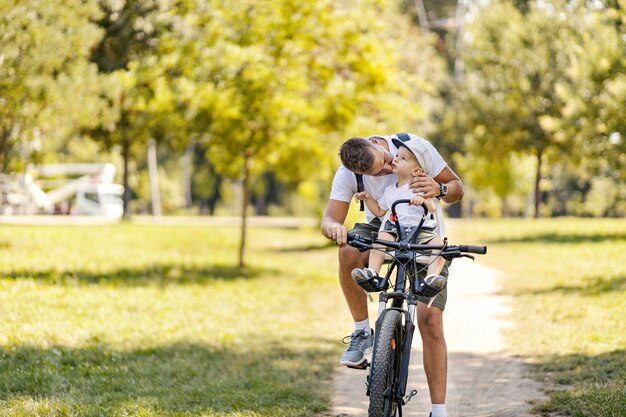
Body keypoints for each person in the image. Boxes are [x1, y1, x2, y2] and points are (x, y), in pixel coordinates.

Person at [320, 133, 463, 417]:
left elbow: (457, 188)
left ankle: (438, 410)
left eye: (386, 162)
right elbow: (329, 218)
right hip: (385, 224)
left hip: (424, 229)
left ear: (378, 143)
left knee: (430, 318)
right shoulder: (348, 173)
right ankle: (362, 332)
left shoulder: (414, 147)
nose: (387, 169)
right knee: (347, 250)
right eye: (376, 173)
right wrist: (332, 228)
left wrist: (439, 190)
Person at [350, 138, 447, 300]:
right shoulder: (390, 191)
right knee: (381, 237)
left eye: (403, 158)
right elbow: (380, 211)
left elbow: (432, 208)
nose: (395, 159)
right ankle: (372, 273)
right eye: (397, 156)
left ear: (417, 171)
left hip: (421, 232)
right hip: (396, 231)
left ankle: (431, 279)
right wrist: (367, 198)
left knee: (440, 242)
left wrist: (424, 200)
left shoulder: (419, 187)